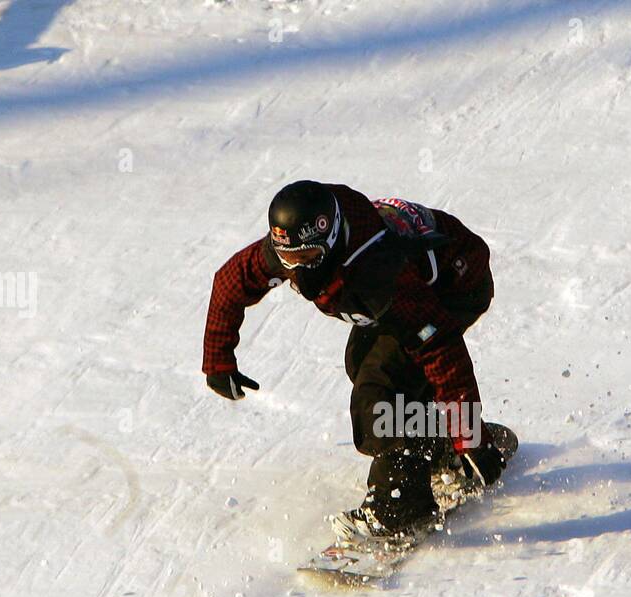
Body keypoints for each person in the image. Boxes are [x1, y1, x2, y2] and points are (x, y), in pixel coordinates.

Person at [202, 180, 508, 540]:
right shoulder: (296, 246)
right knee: (360, 360)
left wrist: (470, 435)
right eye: (289, 259)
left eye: (307, 259)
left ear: (330, 241)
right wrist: (218, 360)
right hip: (396, 298)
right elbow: (230, 282)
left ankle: (400, 507)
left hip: (454, 288)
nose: (297, 270)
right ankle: (431, 442)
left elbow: (440, 346)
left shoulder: (378, 271)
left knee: (377, 395)